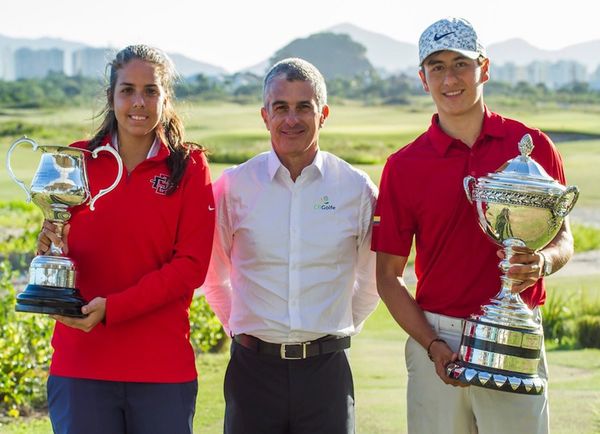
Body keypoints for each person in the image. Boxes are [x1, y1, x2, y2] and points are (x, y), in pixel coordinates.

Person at [372, 17, 574, 434]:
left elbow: (563, 239)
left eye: (461, 64)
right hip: (438, 334)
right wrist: (431, 344)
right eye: (437, 67)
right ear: (422, 78)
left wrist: (542, 264)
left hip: (515, 331)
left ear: (484, 68)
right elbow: (388, 277)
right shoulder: (403, 166)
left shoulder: (532, 146)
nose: (450, 78)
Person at [36, 45, 215, 434]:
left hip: (162, 368)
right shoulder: (76, 160)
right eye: (128, 90)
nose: (139, 102)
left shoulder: (189, 167)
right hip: (81, 364)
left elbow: (191, 268)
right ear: (111, 97)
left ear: (165, 98)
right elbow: (59, 247)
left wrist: (114, 308)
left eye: (150, 91)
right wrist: (50, 244)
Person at [202, 57, 379, 434]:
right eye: (280, 108)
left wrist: (332, 328)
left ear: (324, 114)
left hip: (326, 372)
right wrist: (242, 330)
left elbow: (373, 280)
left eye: (304, 107)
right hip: (253, 372)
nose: (291, 119)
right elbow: (214, 278)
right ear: (265, 115)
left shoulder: (356, 189)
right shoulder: (234, 187)